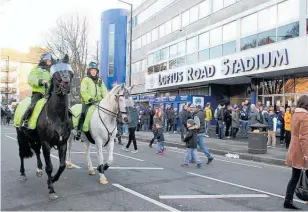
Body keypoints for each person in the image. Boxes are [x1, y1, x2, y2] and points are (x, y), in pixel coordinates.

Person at [284, 95, 308, 210]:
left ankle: (287, 201)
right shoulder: (305, 116)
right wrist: (307, 154)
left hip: (294, 149)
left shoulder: (294, 115)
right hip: (301, 151)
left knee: (294, 177)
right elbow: (304, 137)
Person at [76, 62, 107, 140]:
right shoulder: (85, 79)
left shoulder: (100, 80)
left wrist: (106, 99)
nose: (93, 72)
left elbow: (104, 91)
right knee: (83, 113)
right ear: (89, 71)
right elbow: (83, 91)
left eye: (95, 70)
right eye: (92, 70)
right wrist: (90, 99)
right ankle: (79, 130)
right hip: (88, 102)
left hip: (99, 102)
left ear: (97, 72)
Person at [22, 53, 53, 128]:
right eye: (49, 60)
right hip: (39, 93)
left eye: (50, 60)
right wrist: (40, 81)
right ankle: (25, 120)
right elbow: (31, 79)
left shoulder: (52, 71)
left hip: (49, 94)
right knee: (33, 105)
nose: (50, 62)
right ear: (44, 60)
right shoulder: (36, 69)